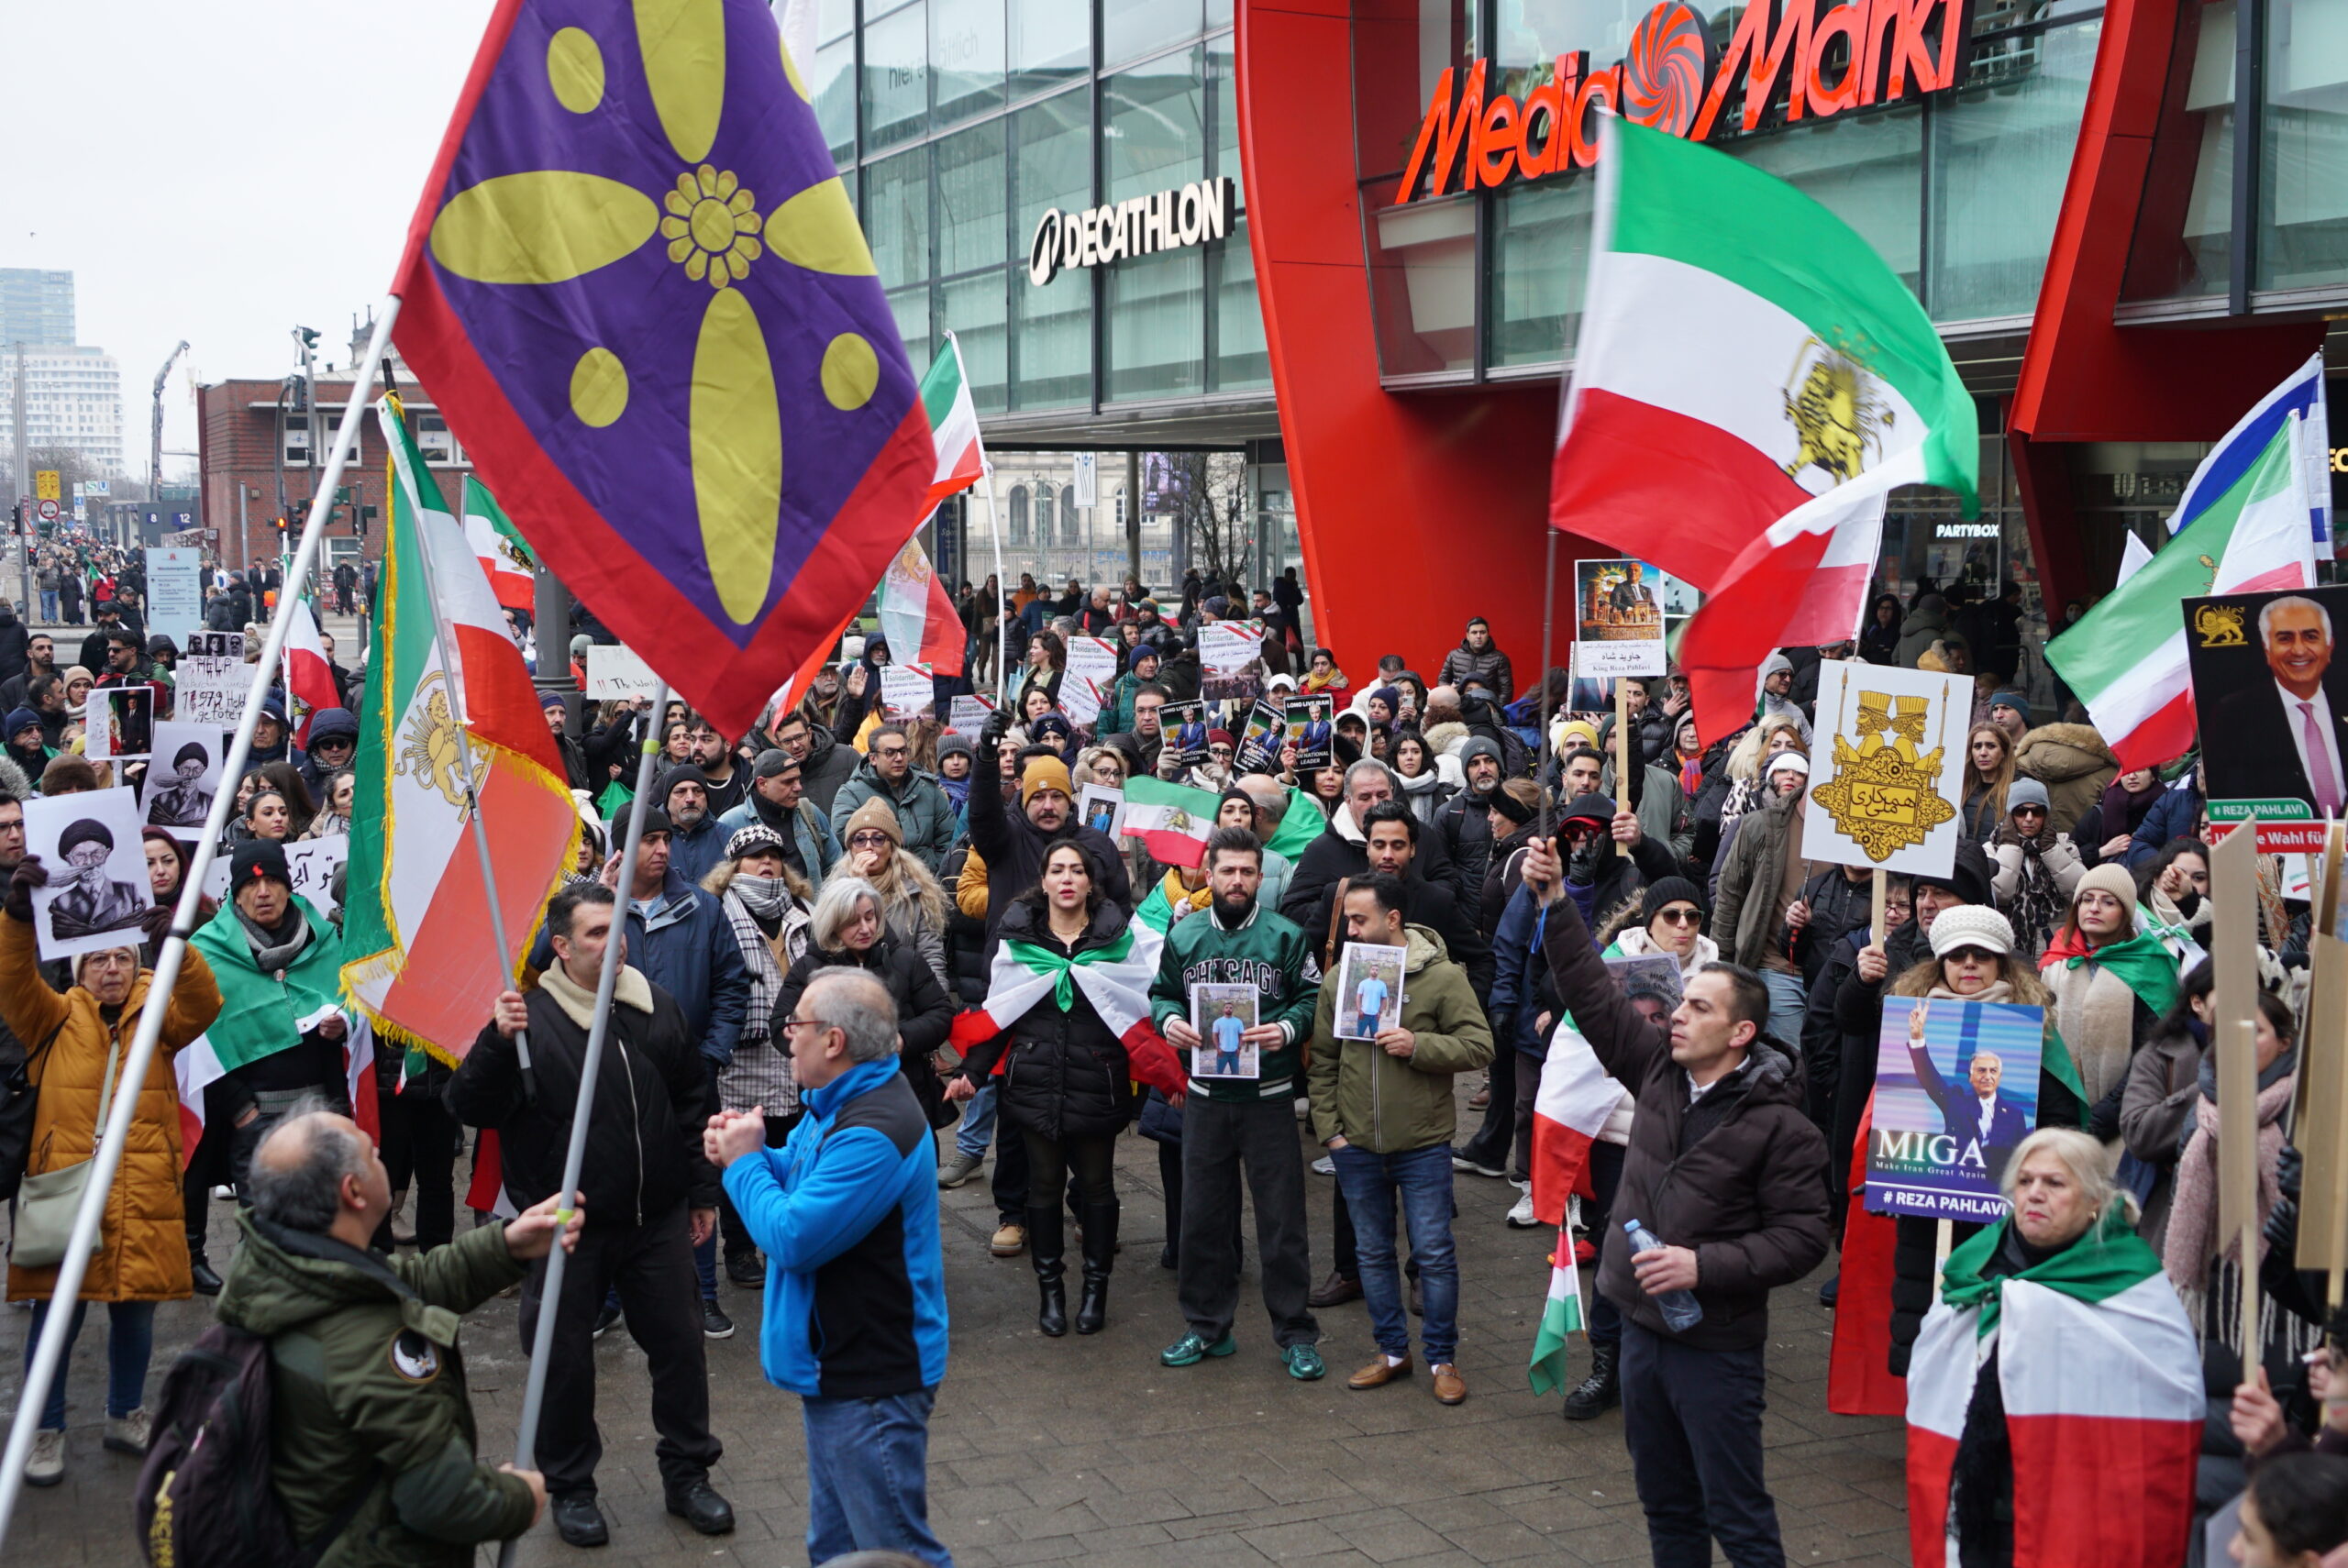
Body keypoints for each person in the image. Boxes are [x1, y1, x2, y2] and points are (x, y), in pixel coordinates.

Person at [1525, 832, 1831, 1568]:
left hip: (1716, 1349)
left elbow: (1803, 1239)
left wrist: (1704, 1265)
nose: (1677, 1012)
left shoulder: (1783, 1127)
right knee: (1665, 1505)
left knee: (1738, 1515)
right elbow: (1595, 998)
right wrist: (1556, 901)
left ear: (1742, 1032)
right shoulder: (1657, 1071)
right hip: (1639, 1331)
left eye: (1697, 1005)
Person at [450, 885, 735, 1547]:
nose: (615, 943)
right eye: (596, 933)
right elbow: (467, 1106)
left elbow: (694, 1099)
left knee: (680, 1348)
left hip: (656, 1215)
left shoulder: (652, 1003)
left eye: (618, 929)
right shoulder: (532, 1019)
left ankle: (688, 1473)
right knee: (563, 1361)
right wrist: (496, 1043)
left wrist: (700, 1193)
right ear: (562, 946)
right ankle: (571, 1487)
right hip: (567, 1223)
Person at [214, 1109, 578, 1562]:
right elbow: (443, 1500)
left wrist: (507, 1244)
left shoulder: (293, 1268)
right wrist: (522, 1498)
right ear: (353, 1191)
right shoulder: (372, 1351)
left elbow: (409, 1281)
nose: (381, 1152)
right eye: (371, 1152)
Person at [709, 968, 955, 1568]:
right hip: (842, 1367)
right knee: (837, 1548)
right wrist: (752, 1147)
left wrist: (742, 1167)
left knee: (891, 1551)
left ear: (834, 1042)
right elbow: (796, 1177)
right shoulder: (838, 1105)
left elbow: (792, 1236)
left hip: (871, 1375)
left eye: (798, 1025)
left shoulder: (874, 1131)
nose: (787, 1036)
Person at [4, 861, 212, 1485]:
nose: (112, 969)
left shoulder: (160, 1013)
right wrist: (16, 920)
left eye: (122, 957)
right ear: (80, 970)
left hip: (143, 1191)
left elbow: (203, 1005)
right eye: (98, 961)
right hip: (69, 1191)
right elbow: (12, 980)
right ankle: (46, 1429)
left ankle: (126, 1413)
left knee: (137, 1313)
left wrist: (184, 944)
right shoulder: (53, 1018)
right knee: (54, 1317)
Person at [1907, 1128, 2200, 1568]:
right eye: (2025, 1182)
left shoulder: (2133, 1286)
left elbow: (2162, 1410)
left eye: (2055, 1183)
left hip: (2080, 1509)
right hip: (1975, 1501)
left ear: (2095, 1200)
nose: (2035, 1195)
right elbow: (1935, 1374)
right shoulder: (1973, 1270)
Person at [945, 842, 1184, 1337]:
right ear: (1045, 880)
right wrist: (970, 1071)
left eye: (1077, 870)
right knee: (1044, 1186)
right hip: (1033, 1083)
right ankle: (1050, 1289)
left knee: (1097, 1188)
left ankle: (1095, 1288)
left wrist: (1168, 1076)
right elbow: (1000, 1014)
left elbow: (1139, 1016)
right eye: (1059, 870)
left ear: (1090, 882)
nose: (1068, 878)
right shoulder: (1018, 938)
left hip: (1096, 1081)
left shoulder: (1117, 939)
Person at [1307, 872, 1493, 1405]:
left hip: (1423, 1145)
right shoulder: (1341, 976)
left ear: (1393, 919)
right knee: (1371, 1253)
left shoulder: (1440, 977)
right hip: (1356, 1147)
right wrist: (1333, 1133)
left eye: (1359, 921)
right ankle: (1392, 1351)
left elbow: (1480, 1046)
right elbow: (1321, 1062)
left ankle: (1442, 1357)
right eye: (1347, 922)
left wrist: (1418, 1045)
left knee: (1433, 1253)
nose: (1350, 932)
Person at [1149, 826, 1325, 1379]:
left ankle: (1295, 1333)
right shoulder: (1185, 936)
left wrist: (1288, 1030)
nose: (1237, 880)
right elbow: (1162, 994)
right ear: (1208, 872)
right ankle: (1206, 1327)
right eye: (1227, 870)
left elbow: (1312, 997)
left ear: (1260, 876)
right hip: (1204, 1098)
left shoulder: (1286, 936)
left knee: (1282, 1222)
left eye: (1248, 871)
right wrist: (1171, 1021)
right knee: (1202, 1218)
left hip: (1268, 1098)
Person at [189, 840, 354, 1199]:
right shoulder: (207, 952)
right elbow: (198, 1043)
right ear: (235, 894)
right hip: (253, 1121)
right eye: (250, 884)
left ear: (288, 886)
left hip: (322, 1113)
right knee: (263, 1230)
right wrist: (241, 1109)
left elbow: (352, 1008)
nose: (263, 892)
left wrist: (344, 1027)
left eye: (273, 882)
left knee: (324, 1223)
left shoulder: (323, 939)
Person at [777, 877, 955, 1130]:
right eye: (852, 921)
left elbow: (941, 1012)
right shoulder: (809, 967)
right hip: (832, 1094)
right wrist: (828, 1049)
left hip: (903, 1089)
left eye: (869, 917)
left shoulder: (906, 960)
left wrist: (902, 1038)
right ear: (833, 923)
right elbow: (780, 1025)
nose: (865, 928)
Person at [2040, 862, 2177, 1138]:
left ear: (2125, 913)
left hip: (2127, 1115)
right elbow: (2045, 1046)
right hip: (2061, 1118)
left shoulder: (2151, 965)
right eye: (2087, 900)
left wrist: (2106, 1116)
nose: (2094, 908)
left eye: (2108, 902)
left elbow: (2151, 1051)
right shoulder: (2055, 962)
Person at [1710, 751, 1816, 1048]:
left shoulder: (1853, 834)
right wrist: (1723, 969)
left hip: (1834, 978)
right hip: (1776, 970)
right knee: (1790, 1069)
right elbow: (1728, 898)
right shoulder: (1759, 826)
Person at [2211, 594, 2348, 818]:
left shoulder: (2342, 701)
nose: (2299, 650)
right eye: (2285, 638)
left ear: (2329, 646)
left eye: (2311, 636)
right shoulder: (2236, 715)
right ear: (2267, 649)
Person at [1988, 775, 2083, 960]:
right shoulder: (1992, 849)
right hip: (2008, 946)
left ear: (2046, 815)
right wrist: (2011, 847)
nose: (2029, 818)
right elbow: (2000, 893)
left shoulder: (2065, 846)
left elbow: (2079, 893)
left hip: (2056, 948)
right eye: (2021, 811)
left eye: (2037, 812)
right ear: (2010, 815)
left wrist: (2051, 850)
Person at [717, 746, 842, 885]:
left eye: (798, 779)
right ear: (762, 784)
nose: (798, 787)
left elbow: (837, 869)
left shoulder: (810, 812)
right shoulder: (730, 823)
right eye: (788, 782)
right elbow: (719, 880)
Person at [47, 815, 145, 940]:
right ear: (69, 859)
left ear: (107, 853)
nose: (89, 862)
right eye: (80, 856)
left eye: (96, 854)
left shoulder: (128, 891)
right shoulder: (61, 903)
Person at [1436, 616, 1513, 704]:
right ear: (1468, 636)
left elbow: (1506, 690)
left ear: (1488, 634)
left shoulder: (1499, 659)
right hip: (1458, 707)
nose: (1478, 636)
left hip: (1486, 710)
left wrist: (1496, 710)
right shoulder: (1454, 655)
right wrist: (1450, 691)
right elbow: (1442, 680)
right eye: (1474, 632)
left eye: (1482, 632)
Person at [147, 740, 215, 829]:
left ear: (203, 770)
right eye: (186, 768)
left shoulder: (209, 801)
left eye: (196, 769)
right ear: (178, 769)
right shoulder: (160, 799)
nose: (190, 774)